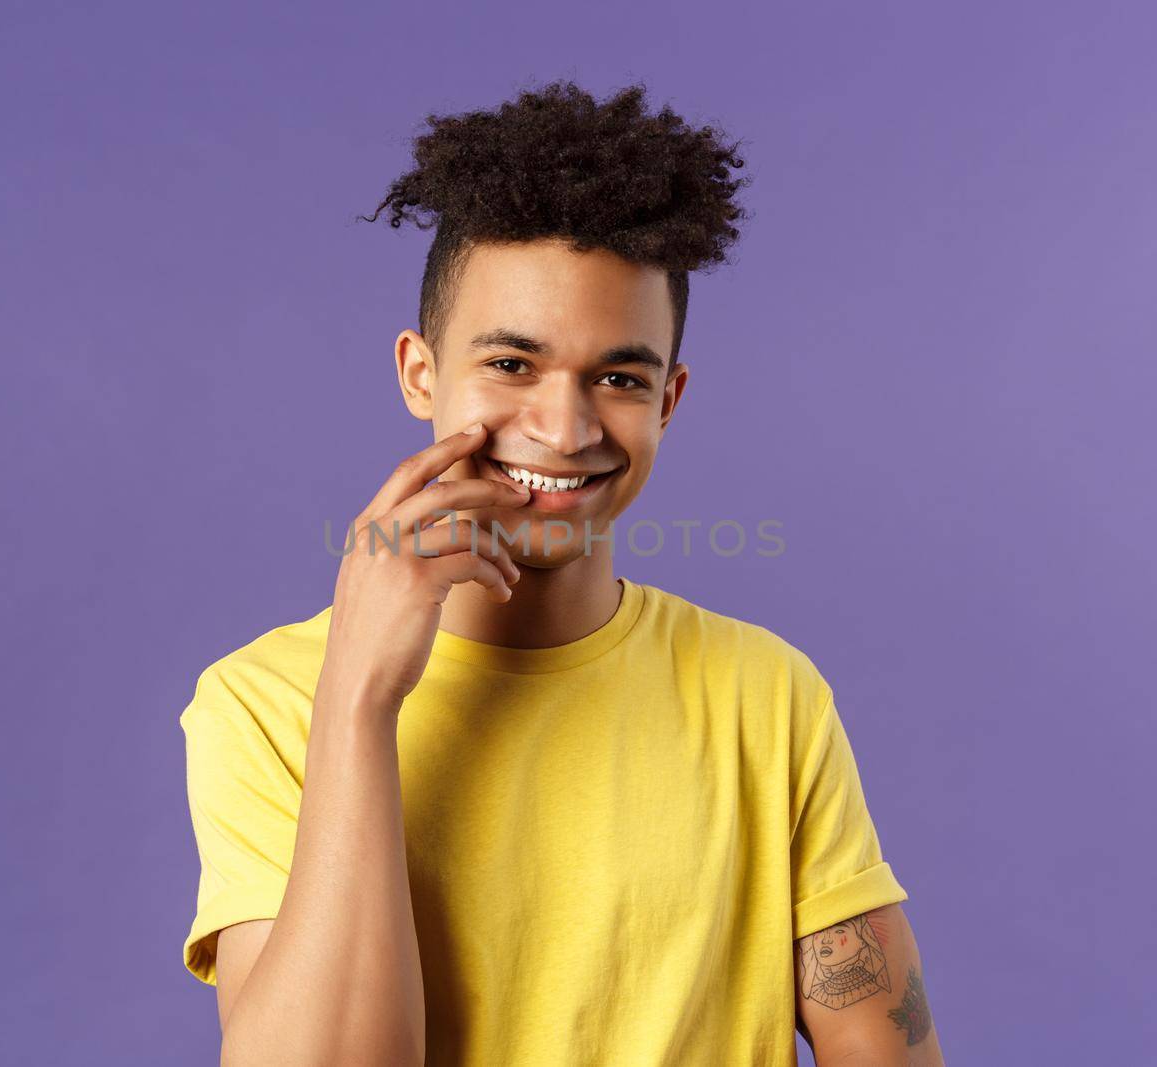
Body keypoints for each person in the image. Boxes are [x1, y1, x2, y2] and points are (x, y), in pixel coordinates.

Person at [179, 79, 944, 1066]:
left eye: (618, 378)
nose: (566, 425)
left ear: (668, 399)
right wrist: (359, 700)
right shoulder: (264, 704)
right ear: (420, 371)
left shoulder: (767, 693)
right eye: (511, 364)